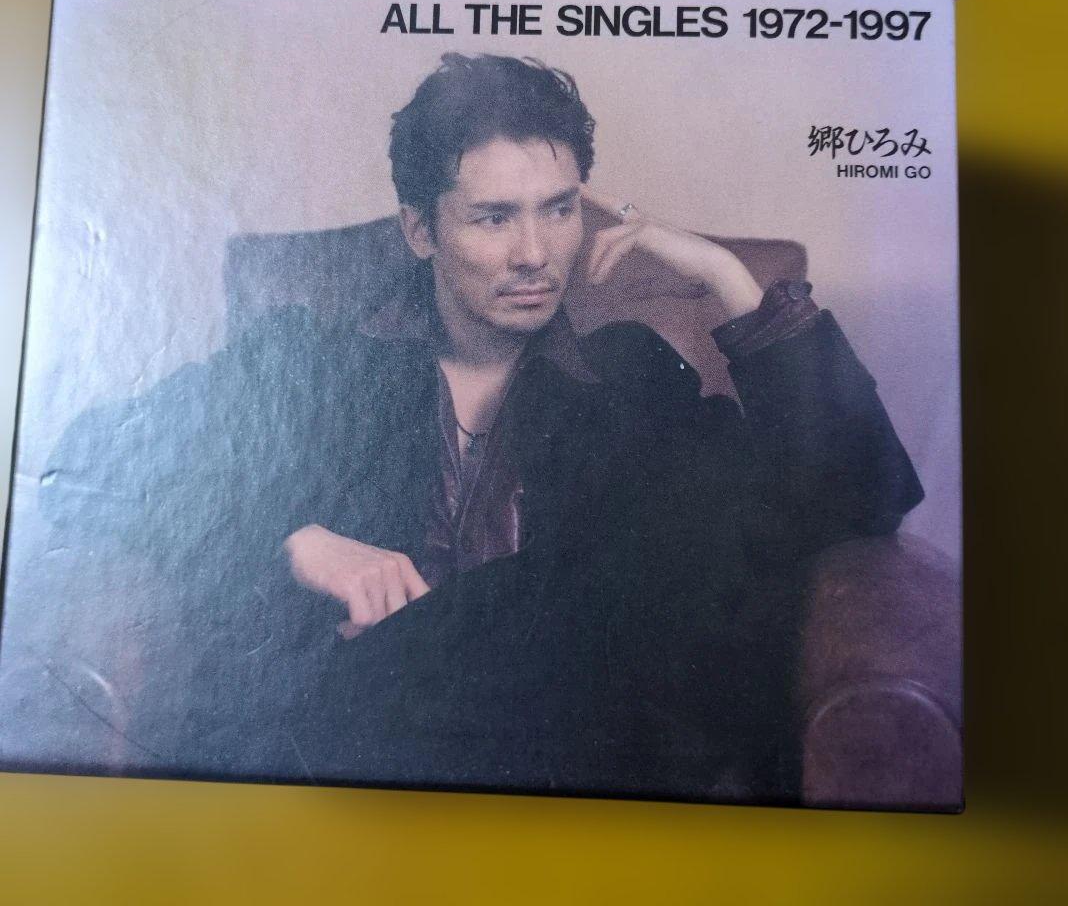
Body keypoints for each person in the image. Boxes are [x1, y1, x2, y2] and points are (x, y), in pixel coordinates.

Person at [40, 53, 923, 802]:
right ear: (421, 230)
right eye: (494, 217)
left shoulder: (631, 380)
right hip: (353, 768)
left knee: (668, 559)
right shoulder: (312, 365)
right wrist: (298, 542)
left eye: (559, 208)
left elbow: (858, 498)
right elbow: (87, 466)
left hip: (570, 773)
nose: (535, 254)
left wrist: (730, 281)